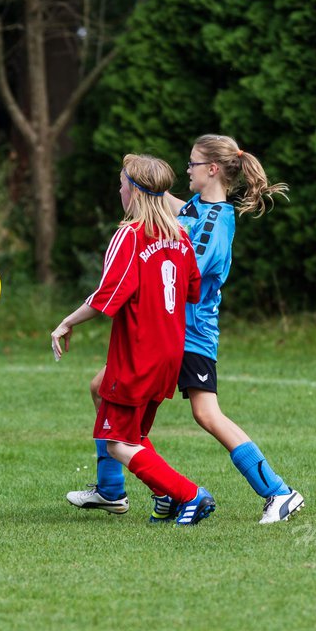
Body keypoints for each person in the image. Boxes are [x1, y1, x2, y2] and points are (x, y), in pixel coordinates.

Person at [67, 135, 304, 523]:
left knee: (207, 414)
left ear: (211, 170)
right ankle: (111, 491)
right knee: (101, 388)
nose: (186, 171)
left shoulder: (216, 223)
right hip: (169, 329)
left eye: (192, 164)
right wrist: (144, 181)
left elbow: (175, 261)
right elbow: (164, 201)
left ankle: (278, 491)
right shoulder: (198, 205)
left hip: (191, 333)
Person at [51, 154, 216, 526]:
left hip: (138, 354)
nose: (119, 188)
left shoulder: (129, 233)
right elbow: (192, 292)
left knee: (120, 443)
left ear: (136, 192)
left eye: (123, 182)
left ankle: (188, 494)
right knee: (125, 421)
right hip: (170, 353)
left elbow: (108, 297)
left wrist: (66, 322)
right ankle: (123, 492)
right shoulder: (181, 237)